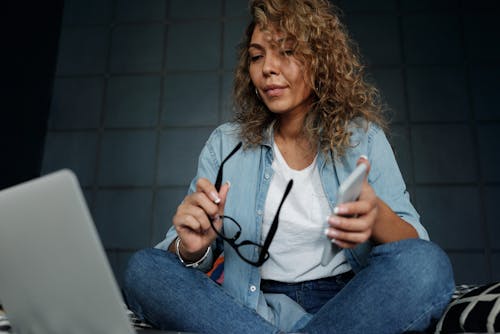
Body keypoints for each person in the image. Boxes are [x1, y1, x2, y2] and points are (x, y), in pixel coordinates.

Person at [123, 0, 455, 333]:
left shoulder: (363, 137)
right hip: (251, 309)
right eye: (257, 56)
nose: (268, 67)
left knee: (428, 266)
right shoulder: (224, 144)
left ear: (320, 60)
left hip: (351, 304)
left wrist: (376, 217)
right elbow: (181, 254)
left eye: (287, 51)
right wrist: (193, 249)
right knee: (143, 269)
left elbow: (415, 245)